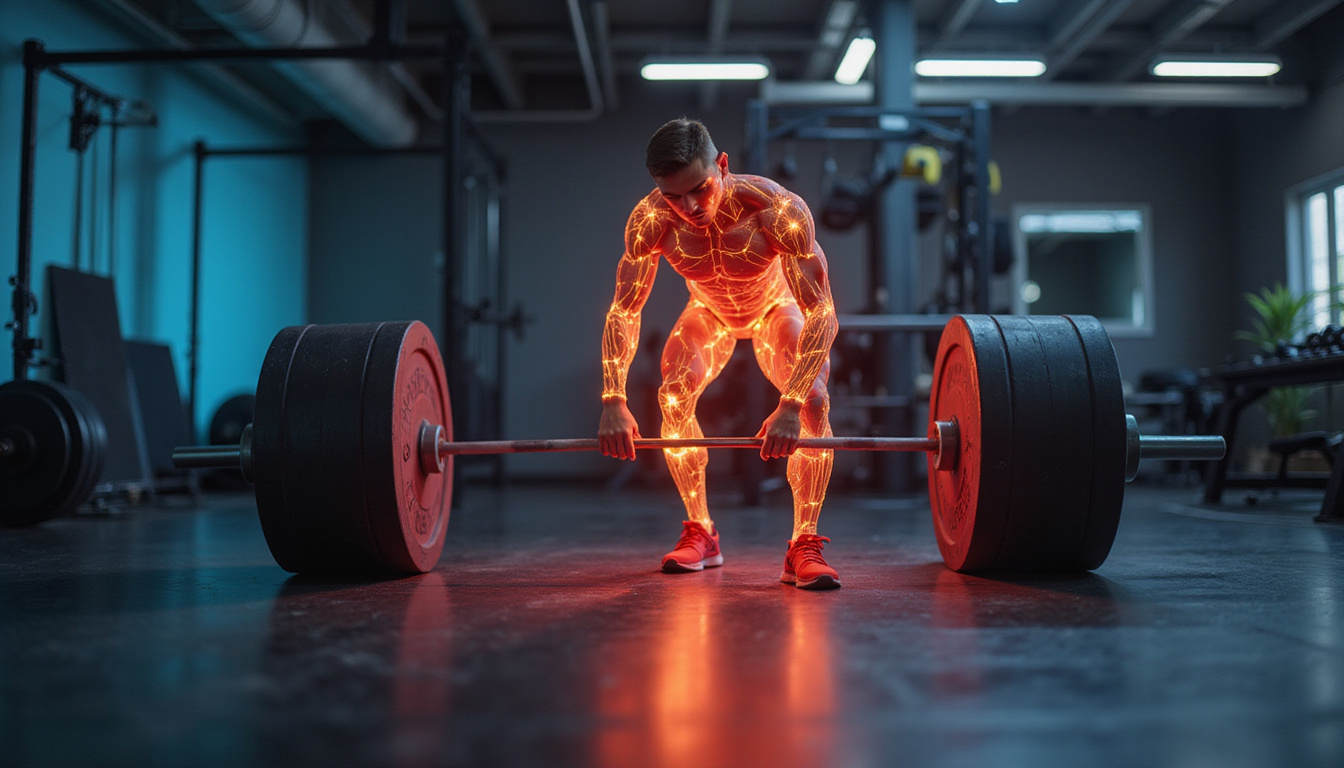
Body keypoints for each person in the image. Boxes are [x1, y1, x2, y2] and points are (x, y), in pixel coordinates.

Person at [598, 118, 841, 590]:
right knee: (671, 396)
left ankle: (803, 545)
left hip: (774, 309)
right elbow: (624, 310)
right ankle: (701, 531)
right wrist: (613, 398)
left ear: (723, 165)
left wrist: (788, 404)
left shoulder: (776, 210)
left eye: (700, 189)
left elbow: (823, 314)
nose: (688, 207)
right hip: (709, 312)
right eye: (673, 196)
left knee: (813, 401)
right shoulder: (651, 220)